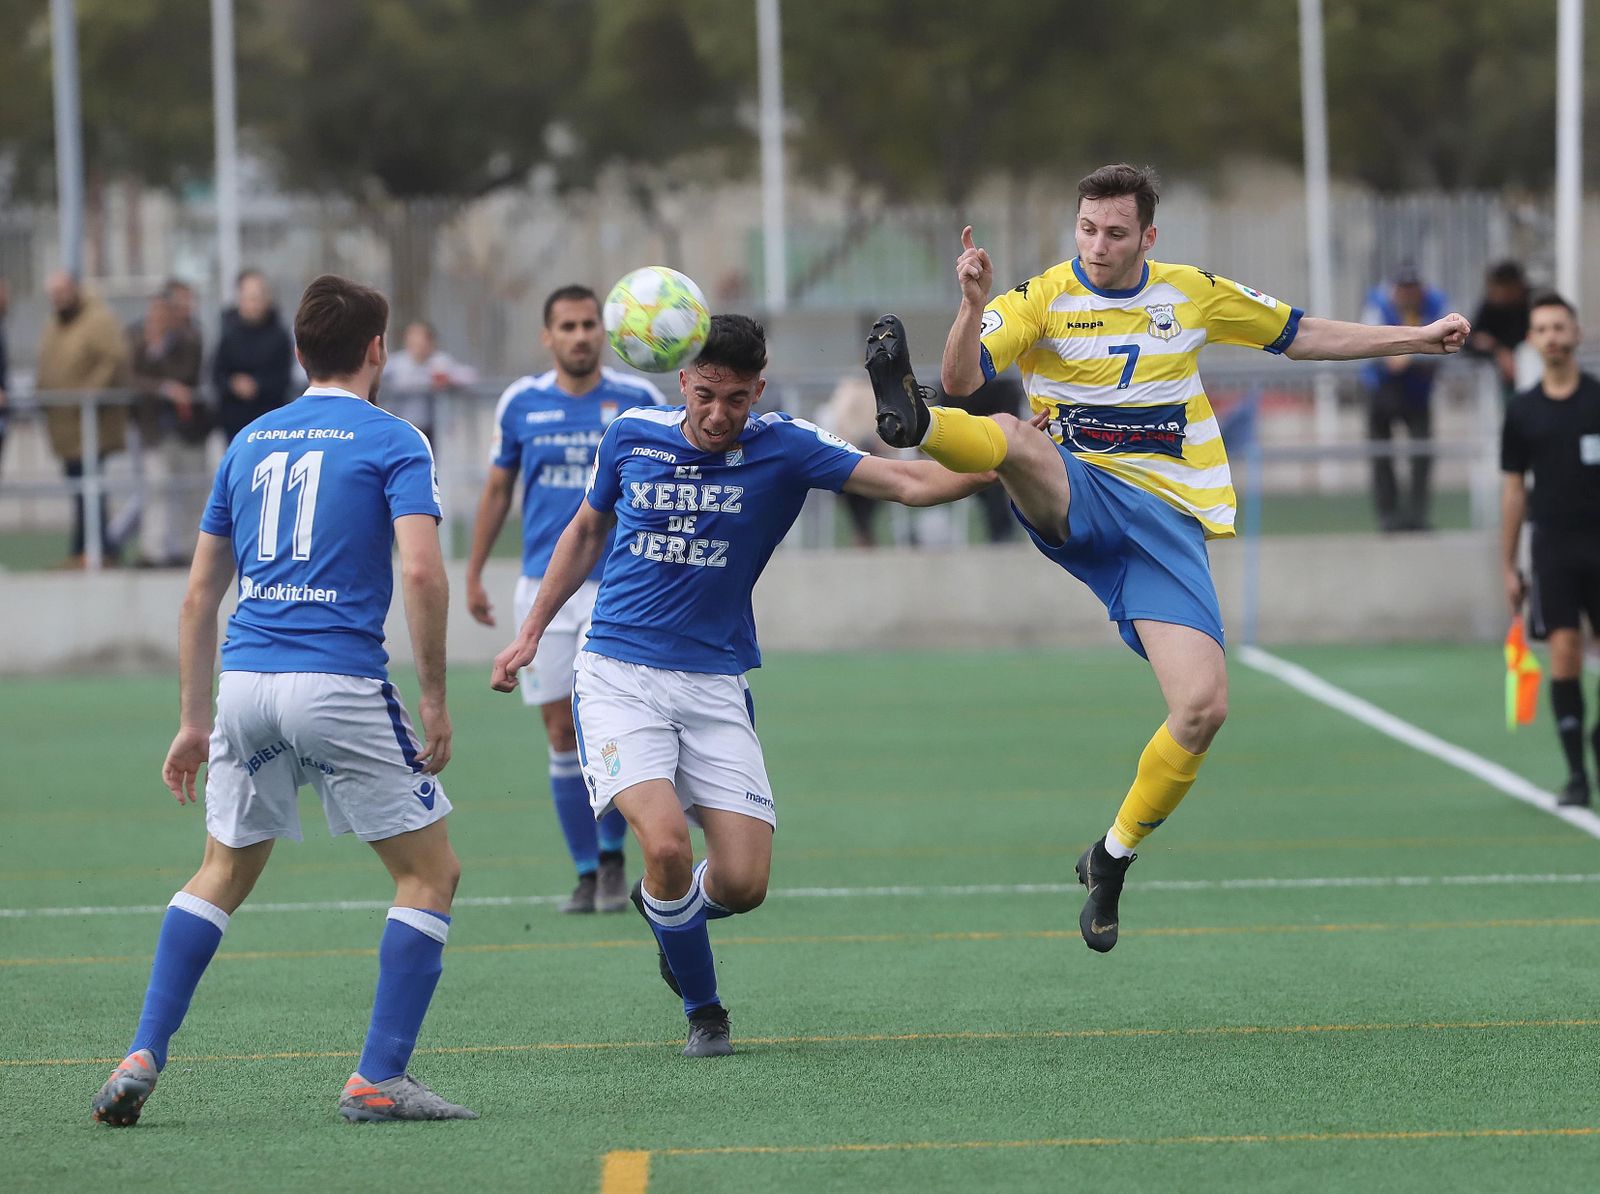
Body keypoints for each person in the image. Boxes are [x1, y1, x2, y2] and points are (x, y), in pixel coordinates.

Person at [867, 163, 1470, 954]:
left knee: (1203, 708)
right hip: (1078, 490)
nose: (1098, 245)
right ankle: (914, 424)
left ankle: (1111, 857)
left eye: (1115, 233)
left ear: (1148, 236)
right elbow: (962, 377)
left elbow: (1300, 334)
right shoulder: (1043, 296)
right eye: (1087, 229)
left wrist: (1416, 338)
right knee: (1012, 436)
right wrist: (973, 305)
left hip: (1165, 528)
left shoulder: (1191, 292)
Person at [489, 315, 990, 1056]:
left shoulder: (786, 446)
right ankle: (706, 1013)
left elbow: (909, 482)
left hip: (715, 684)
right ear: (683, 382)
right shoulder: (630, 435)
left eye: (735, 399)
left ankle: (670, 912)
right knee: (664, 846)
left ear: (759, 390)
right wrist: (531, 631)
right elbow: (587, 530)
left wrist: (1004, 459)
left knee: (744, 884)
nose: (719, 414)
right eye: (706, 395)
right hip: (617, 676)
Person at [91, 274, 475, 1126]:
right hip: (337, 684)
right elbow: (420, 571)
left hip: (246, 685)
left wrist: (193, 721)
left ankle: (142, 1052)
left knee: (223, 870)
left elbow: (200, 595)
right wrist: (435, 697)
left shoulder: (250, 441)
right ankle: (378, 1077)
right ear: (378, 349)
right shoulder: (396, 439)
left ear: (299, 352)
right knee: (430, 873)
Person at [466, 285, 662, 914]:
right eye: (568, 327)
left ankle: (613, 859)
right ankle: (585, 870)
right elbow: (498, 491)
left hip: (618, 588)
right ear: (547, 337)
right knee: (558, 732)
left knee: (606, 726)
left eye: (588, 325)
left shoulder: (639, 399)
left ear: (605, 333)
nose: (580, 336)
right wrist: (473, 572)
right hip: (544, 591)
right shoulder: (520, 403)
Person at [1500, 295, 1600, 808]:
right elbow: (1514, 489)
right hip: (1554, 550)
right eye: (1542, 329)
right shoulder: (1522, 410)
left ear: (1576, 334)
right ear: (1532, 341)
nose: (1553, 337)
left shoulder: (1597, 399)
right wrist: (1508, 564)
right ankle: (1577, 774)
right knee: (1564, 649)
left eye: (1560, 327)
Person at [36, 270, 132, 567]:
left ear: (75, 289)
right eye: (53, 294)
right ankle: (86, 549)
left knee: (90, 487)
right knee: (79, 487)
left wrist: (90, 394)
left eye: (62, 292)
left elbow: (112, 360)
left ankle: (98, 550)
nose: (58, 299)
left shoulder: (98, 320)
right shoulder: (55, 323)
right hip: (64, 425)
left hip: (91, 424)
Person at [1360, 265, 1451, 532]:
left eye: (1413, 289)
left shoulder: (1437, 303)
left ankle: (1416, 517)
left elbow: (1451, 341)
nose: (1409, 295)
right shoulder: (1377, 304)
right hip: (1381, 389)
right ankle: (1388, 516)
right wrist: (1416, 349)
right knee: (1381, 454)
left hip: (1418, 391)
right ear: (1395, 290)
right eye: (1404, 289)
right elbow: (1380, 353)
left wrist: (1407, 355)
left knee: (1422, 453)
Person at [128, 293, 207, 567]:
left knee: (193, 492)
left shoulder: (188, 342)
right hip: (154, 431)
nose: (157, 321)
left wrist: (161, 358)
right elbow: (132, 379)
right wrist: (162, 386)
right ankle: (154, 550)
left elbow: (187, 376)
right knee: (156, 490)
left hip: (187, 431)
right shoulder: (141, 345)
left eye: (163, 315)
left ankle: (191, 550)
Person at [212, 269, 294, 443]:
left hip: (269, 422)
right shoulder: (228, 334)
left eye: (258, 297)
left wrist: (257, 386)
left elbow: (284, 377)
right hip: (234, 424)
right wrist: (233, 384)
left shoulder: (279, 335)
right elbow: (216, 374)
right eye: (250, 298)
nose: (254, 304)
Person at [382, 320, 478, 444]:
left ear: (430, 342)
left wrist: (449, 379)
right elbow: (374, 375)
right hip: (401, 427)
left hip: (433, 429)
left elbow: (470, 376)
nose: (415, 343)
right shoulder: (397, 363)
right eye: (411, 339)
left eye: (419, 339)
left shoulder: (439, 362)